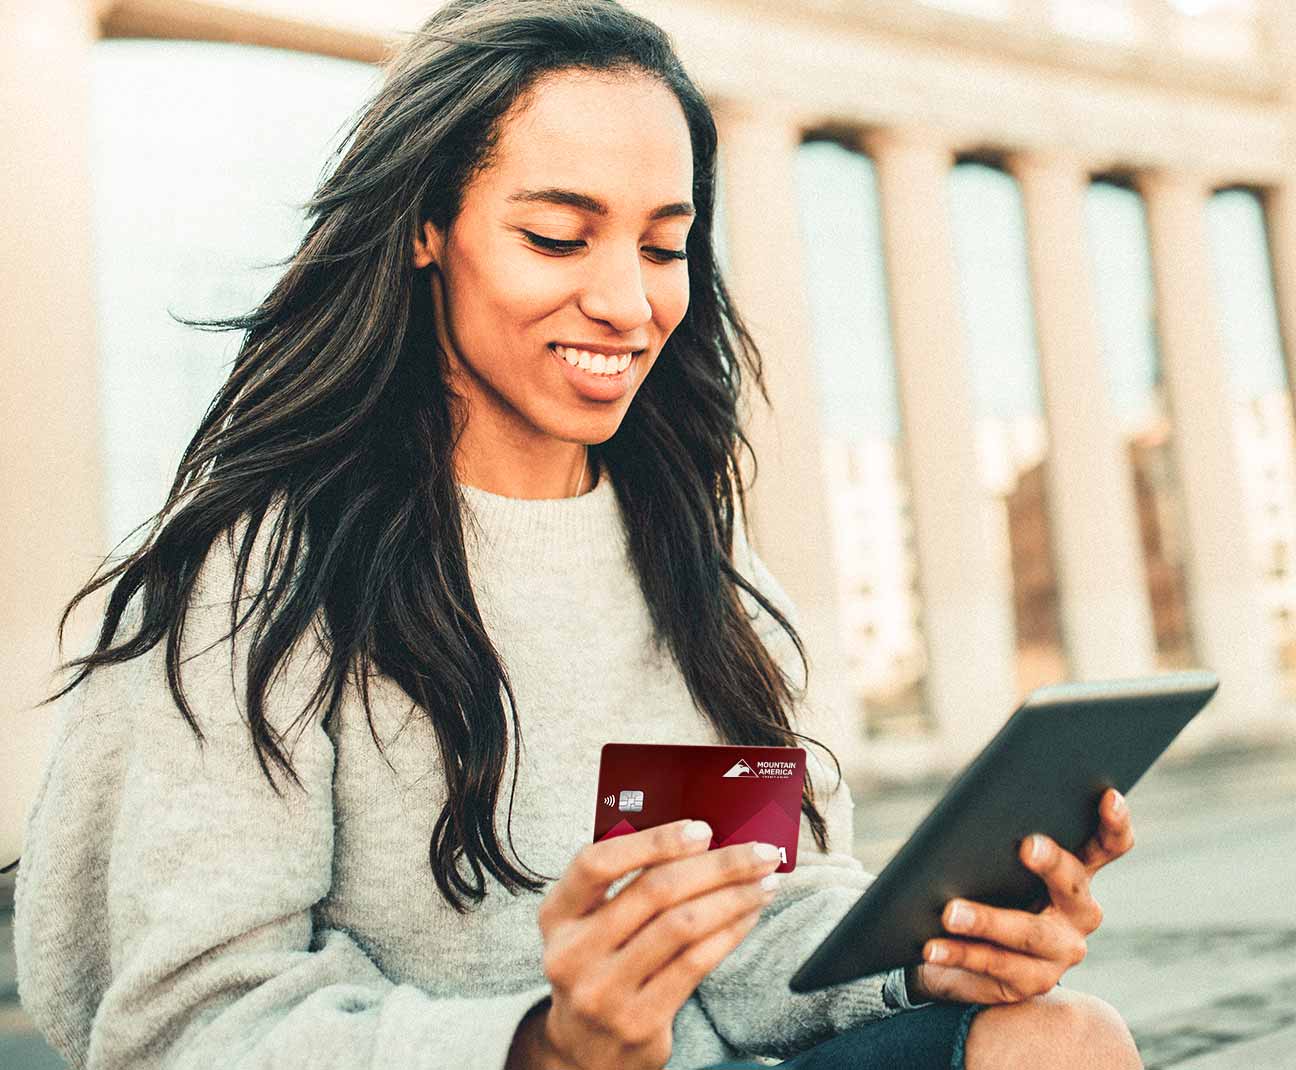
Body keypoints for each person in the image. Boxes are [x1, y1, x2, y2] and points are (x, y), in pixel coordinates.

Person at [13, 1, 1143, 1068]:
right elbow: (184, 1021)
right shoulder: (258, 582)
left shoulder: (697, 557)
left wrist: (939, 948)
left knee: (1064, 1036)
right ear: (424, 228)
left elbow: (754, 927)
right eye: (557, 236)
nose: (627, 300)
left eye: (664, 248)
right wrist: (545, 1044)